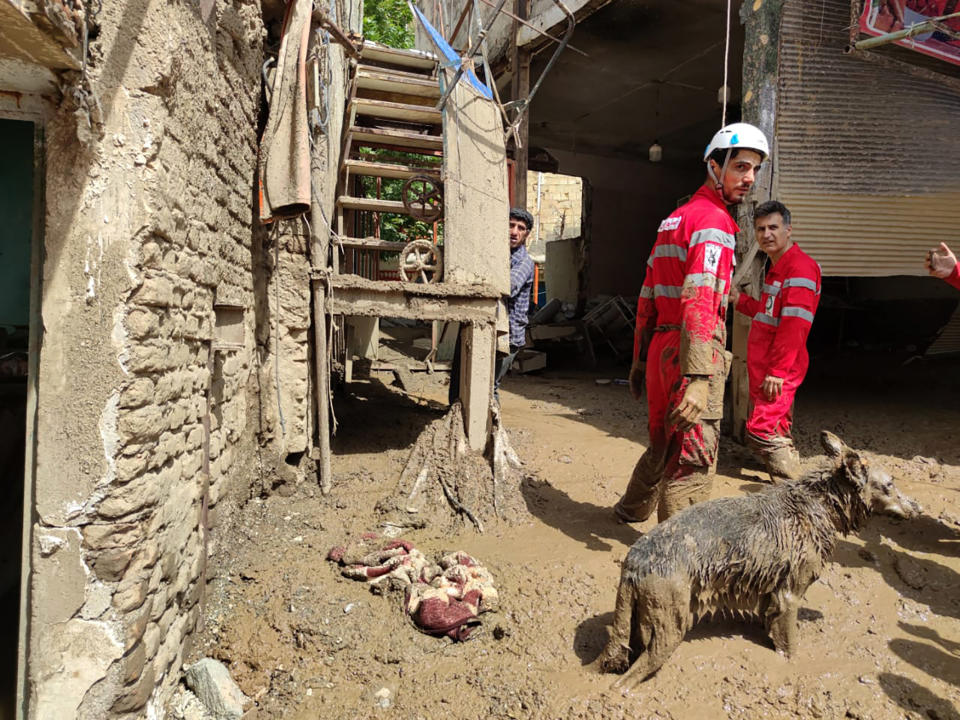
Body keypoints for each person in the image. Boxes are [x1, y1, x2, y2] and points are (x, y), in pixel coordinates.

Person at [614, 122, 769, 524]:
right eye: (740, 167)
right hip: (692, 353)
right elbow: (700, 303)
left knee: (662, 443)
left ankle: (631, 508)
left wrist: (638, 359)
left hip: (661, 353)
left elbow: (648, 293)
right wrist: (699, 377)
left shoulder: (674, 220)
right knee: (694, 459)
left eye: (754, 169)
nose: (749, 178)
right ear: (714, 167)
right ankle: (675, 556)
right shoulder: (715, 225)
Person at [730, 201, 821, 481]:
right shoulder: (778, 268)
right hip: (766, 366)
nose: (766, 234)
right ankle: (781, 475)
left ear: (788, 230)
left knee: (760, 428)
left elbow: (794, 327)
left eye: (773, 227)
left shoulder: (800, 269)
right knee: (777, 424)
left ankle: (792, 483)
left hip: (778, 368)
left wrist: (777, 372)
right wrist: (740, 301)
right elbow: (769, 314)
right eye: (760, 229)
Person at [448, 207, 535, 404]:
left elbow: (508, 287)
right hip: (482, 325)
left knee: (488, 386)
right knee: (460, 378)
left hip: (507, 334)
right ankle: (453, 421)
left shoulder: (524, 262)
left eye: (520, 228)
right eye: (511, 225)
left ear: (526, 234)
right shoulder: (496, 256)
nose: (514, 231)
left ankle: (488, 430)